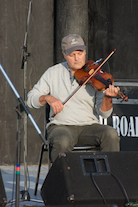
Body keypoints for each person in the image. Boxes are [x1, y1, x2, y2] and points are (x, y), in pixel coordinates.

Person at [27, 34, 120, 163]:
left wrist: (107, 98)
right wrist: (47, 98)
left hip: (88, 127)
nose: (77, 58)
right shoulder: (53, 72)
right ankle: (62, 181)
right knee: (63, 140)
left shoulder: (96, 75)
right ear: (64, 54)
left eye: (80, 53)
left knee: (111, 134)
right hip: (61, 126)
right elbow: (31, 100)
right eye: (72, 55)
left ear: (85, 52)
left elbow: (104, 113)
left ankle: (108, 179)